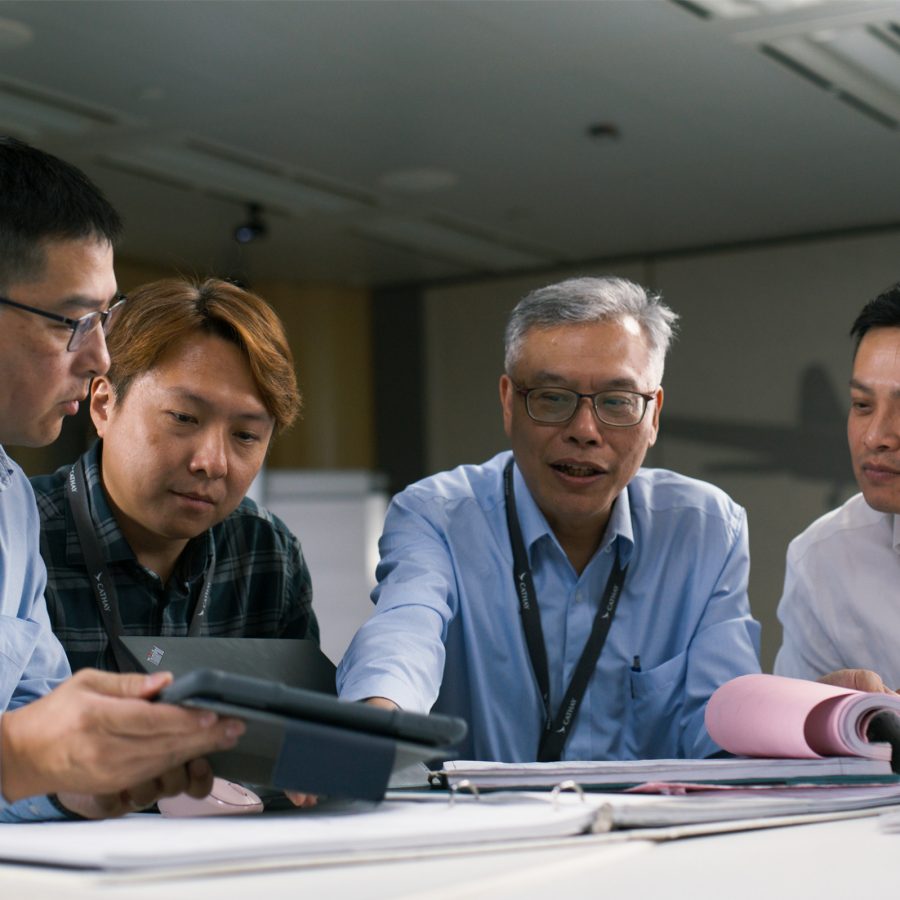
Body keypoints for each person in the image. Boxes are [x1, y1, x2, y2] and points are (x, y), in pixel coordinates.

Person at [338, 276, 761, 762]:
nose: (584, 431)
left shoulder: (705, 529)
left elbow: (725, 717)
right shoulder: (436, 516)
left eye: (617, 402)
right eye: (552, 398)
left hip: (649, 832)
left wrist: (808, 723)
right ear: (507, 402)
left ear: (654, 415)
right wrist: (375, 720)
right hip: (481, 829)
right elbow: (406, 629)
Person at [0, 136, 243, 822]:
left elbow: (29, 730)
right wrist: (21, 753)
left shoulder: (11, 501)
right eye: (73, 322)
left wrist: (79, 783)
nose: (100, 357)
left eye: (104, 320)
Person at [31, 277, 318, 674]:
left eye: (246, 435)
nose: (212, 463)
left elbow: (299, 729)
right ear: (103, 405)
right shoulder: (20, 535)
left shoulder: (266, 552)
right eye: (184, 418)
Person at [775, 283, 900, 694]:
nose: (876, 437)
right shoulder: (824, 560)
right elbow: (788, 749)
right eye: (862, 405)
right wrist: (823, 720)